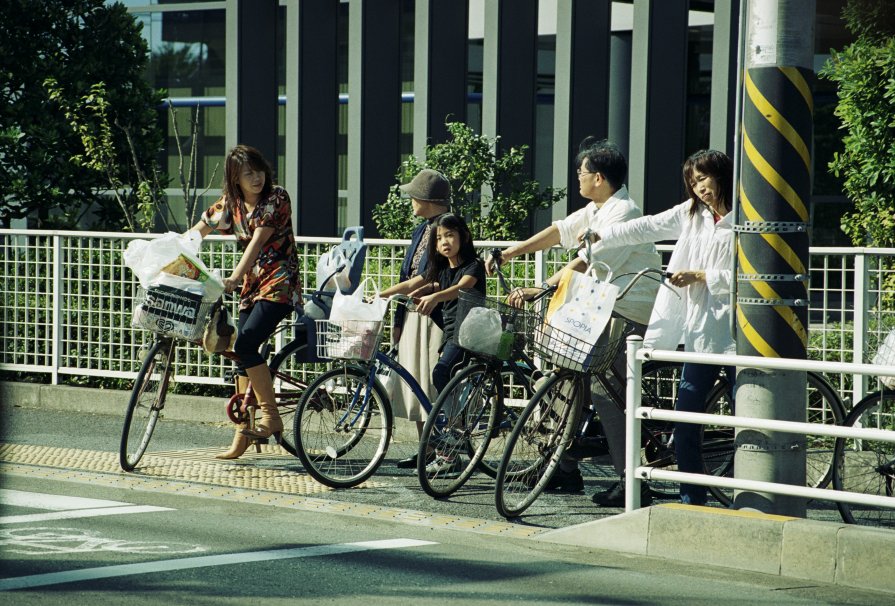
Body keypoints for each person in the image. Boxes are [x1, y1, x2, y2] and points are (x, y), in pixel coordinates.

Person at [489, 138, 661, 506]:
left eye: (581, 173)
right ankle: (563, 468)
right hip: (599, 307)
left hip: (628, 310)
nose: (577, 179)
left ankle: (631, 482)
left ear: (597, 177)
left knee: (604, 391)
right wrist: (509, 253)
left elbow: (584, 258)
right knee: (564, 377)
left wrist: (543, 286)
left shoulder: (624, 213)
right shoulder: (597, 208)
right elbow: (559, 231)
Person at [582, 149, 736, 506]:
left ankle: (758, 493)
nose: (699, 188)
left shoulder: (746, 217)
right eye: (693, 182)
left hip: (737, 336)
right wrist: (603, 235)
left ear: (722, 175)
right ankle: (692, 500)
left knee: (749, 423)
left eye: (704, 178)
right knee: (685, 422)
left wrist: (703, 276)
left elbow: (756, 277)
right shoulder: (691, 214)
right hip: (699, 333)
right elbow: (647, 225)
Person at [189, 144, 302, 459]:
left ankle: (271, 417)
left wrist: (234, 277)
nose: (256, 178)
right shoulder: (231, 204)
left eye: (259, 170)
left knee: (246, 344)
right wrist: (176, 254)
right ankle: (243, 433)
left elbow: (257, 242)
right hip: (252, 285)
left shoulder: (276, 197)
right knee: (238, 352)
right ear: (235, 179)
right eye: (247, 174)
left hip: (280, 281)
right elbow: (199, 230)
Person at [382, 212, 486, 473]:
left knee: (441, 374)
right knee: (444, 379)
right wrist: (383, 294)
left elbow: (461, 288)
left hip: (468, 335)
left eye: (450, 235)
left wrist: (436, 296)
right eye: (439, 238)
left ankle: (457, 427)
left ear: (464, 236)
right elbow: (419, 280)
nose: (445, 242)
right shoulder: (442, 269)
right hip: (452, 334)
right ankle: (454, 437)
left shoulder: (473, 265)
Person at [379, 169, 450, 469]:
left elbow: (429, 276)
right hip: (412, 312)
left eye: (413, 195)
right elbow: (406, 273)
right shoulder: (422, 230)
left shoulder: (448, 228)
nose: (410, 199)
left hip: (436, 314)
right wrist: (397, 320)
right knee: (414, 382)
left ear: (427, 199)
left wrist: (387, 294)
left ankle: (447, 453)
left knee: (431, 382)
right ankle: (427, 450)